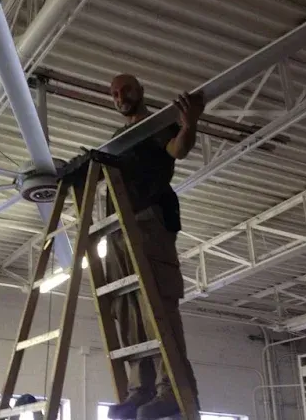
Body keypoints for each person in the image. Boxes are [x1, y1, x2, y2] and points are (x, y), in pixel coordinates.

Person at [104, 74, 204, 420]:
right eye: (115, 93)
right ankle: (140, 390)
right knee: (128, 308)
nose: (120, 97)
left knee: (157, 305)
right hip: (117, 230)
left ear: (141, 91)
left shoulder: (153, 124)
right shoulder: (117, 140)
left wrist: (188, 125)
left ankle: (172, 389)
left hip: (148, 223)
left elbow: (178, 148)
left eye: (126, 90)